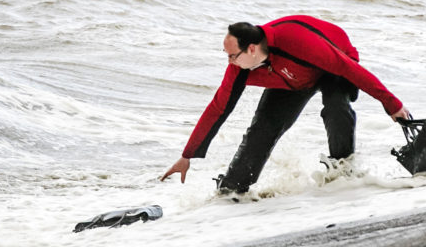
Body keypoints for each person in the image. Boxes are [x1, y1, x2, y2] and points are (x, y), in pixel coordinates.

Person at [161, 15, 411, 194]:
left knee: (337, 108)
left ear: (251, 49)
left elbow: (349, 69)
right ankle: (232, 190)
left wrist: (392, 104)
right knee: (261, 131)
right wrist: (187, 155)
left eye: (232, 56)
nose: (229, 62)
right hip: (291, 81)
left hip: (333, 62)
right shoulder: (239, 68)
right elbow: (218, 108)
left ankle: (342, 172)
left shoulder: (297, 42)